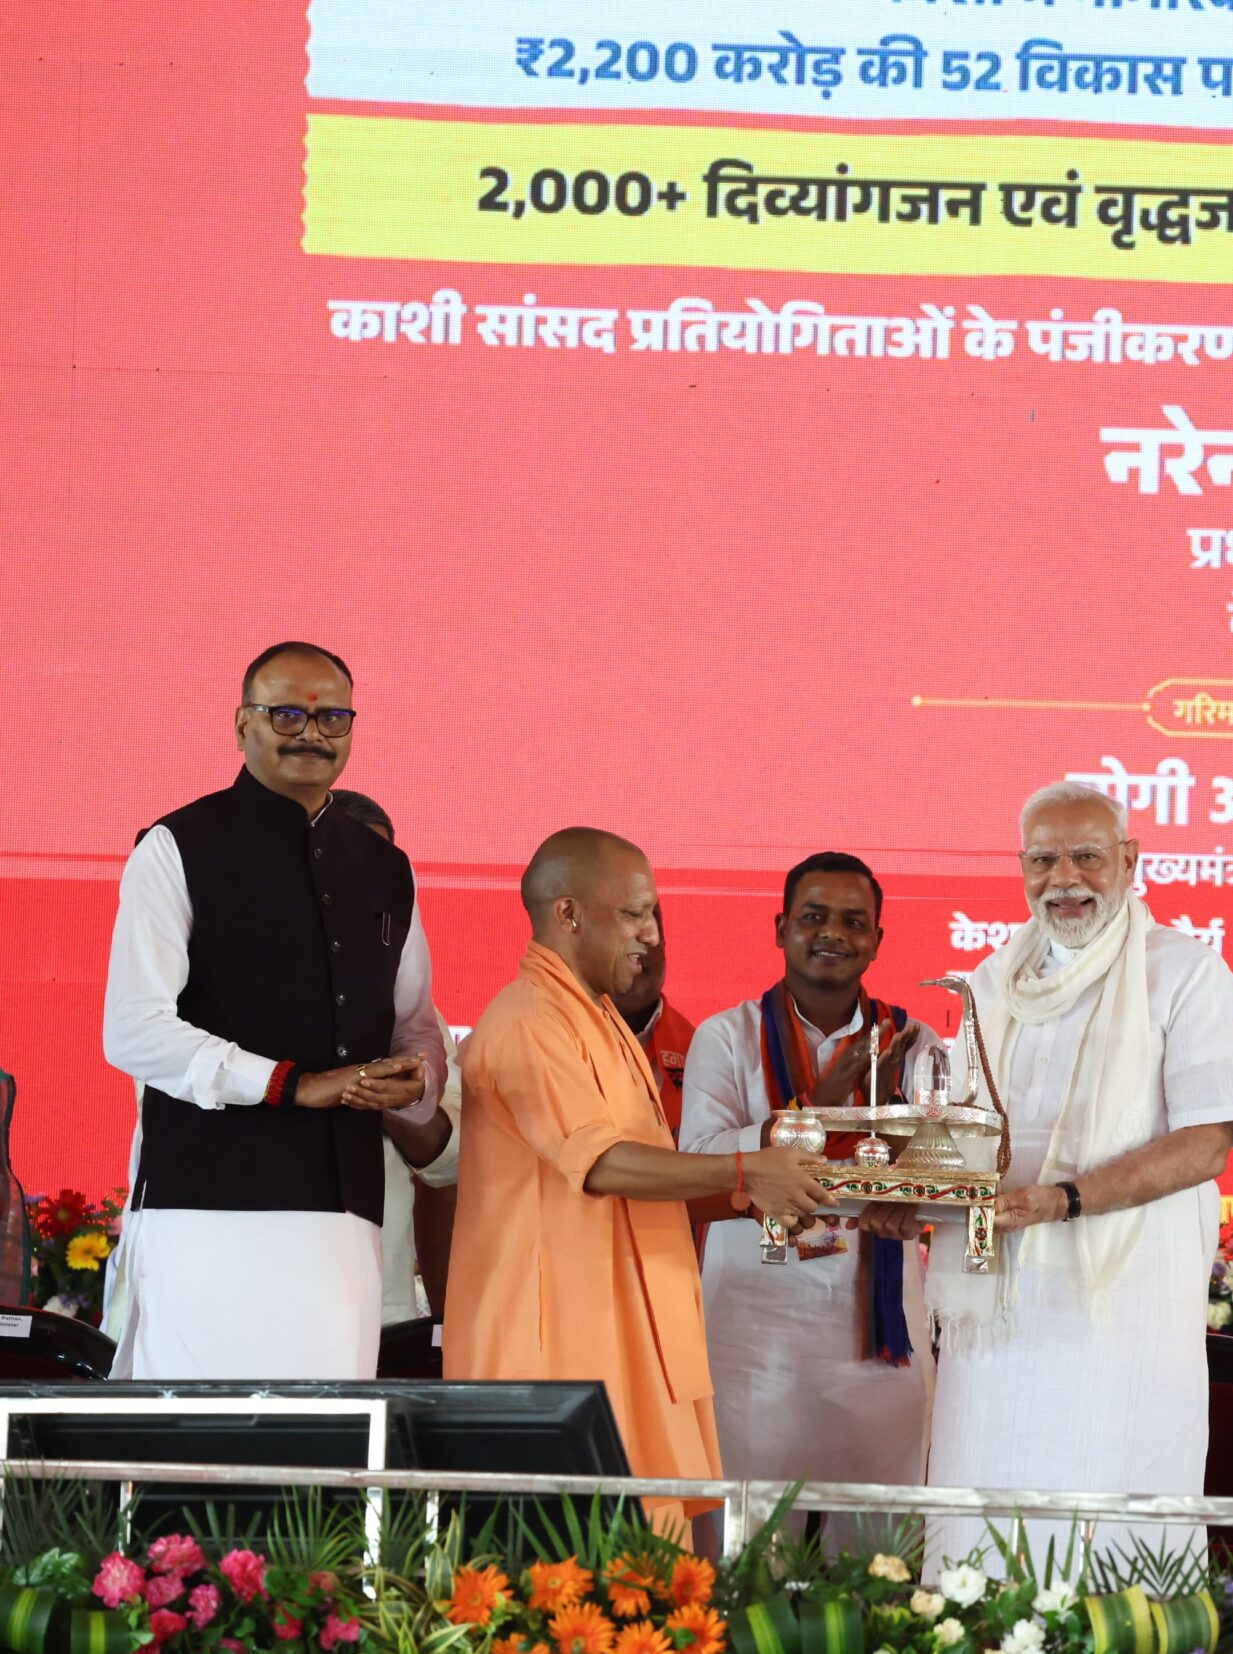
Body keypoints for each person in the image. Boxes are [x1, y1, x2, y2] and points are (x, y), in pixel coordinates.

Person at [447, 828, 837, 1527]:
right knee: (569, 1577)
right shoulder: (531, 1020)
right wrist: (747, 1168)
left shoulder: (598, 1018)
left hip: (619, 1336)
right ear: (568, 914)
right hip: (557, 1352)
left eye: (652, 914)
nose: (651, 934)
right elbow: (601, 1163)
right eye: (633, 913)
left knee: (646, 1574)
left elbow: (647, 1187)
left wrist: (747, 1197)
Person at [924, 783, 1233, 1563]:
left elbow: (1207, 1142)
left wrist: (1066, 1200)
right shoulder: (990, 981)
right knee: (979, 1532)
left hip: (1121, 1321)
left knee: (1109, 1534)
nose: (1063, 879)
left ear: (1129, 861)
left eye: (1086, 857)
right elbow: (958, 1134)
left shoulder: (1185, 973)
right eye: (1044, 860)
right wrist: (918, 1195)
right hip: (995, 1323)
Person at [102, 642, 445, 1378]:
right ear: (242, 725)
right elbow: (133, 1029)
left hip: (344, 1214)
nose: (311, 734)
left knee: (325, 1438)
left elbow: (415, 1021)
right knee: (200, 1431)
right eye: (286, 714)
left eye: (332, 718)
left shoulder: (386, 867)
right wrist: (290, 1083)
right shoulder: (177, 845)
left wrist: (417, 1079)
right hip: (206, 1206)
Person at [679, 853, 938, 1521]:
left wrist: (910, 1197)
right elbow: (697, 1165)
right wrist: (817, 1105)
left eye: (854, 921)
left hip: (878, 1335)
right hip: (753, 1333)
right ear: (781, 928)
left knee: (880, 1551)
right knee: (748, 1542)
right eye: (814, 916)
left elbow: (945, 1169)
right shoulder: (725, 1037)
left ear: (877, 939)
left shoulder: (915, 1043)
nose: (833, 934)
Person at [330, 789, 462, 1328]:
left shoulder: (413, 1017)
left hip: (375, 1309)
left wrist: (397, 1101)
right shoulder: (216, 984)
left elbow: (452, 1161)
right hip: (231, 1293)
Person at [617, 922, 692, 1134]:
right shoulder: (549, 1039)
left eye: (651, 919)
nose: (643, 938)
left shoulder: (702, 1050)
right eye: (624, 920)